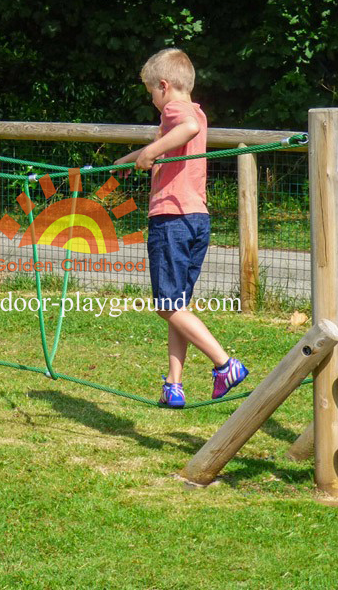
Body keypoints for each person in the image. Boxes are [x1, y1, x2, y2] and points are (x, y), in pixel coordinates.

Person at [113, 48, 247, 408]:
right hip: (195, 218)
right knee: (178, 305)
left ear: (164, 85)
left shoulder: (177, 111)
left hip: (171, 219)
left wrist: (150, 151)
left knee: (166, 304)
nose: (152, 101)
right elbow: (176, 140)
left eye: (150, 93)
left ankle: (224, 364)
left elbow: (182, 130)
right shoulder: (197, 112)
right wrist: (129, 160)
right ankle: (174, 384)